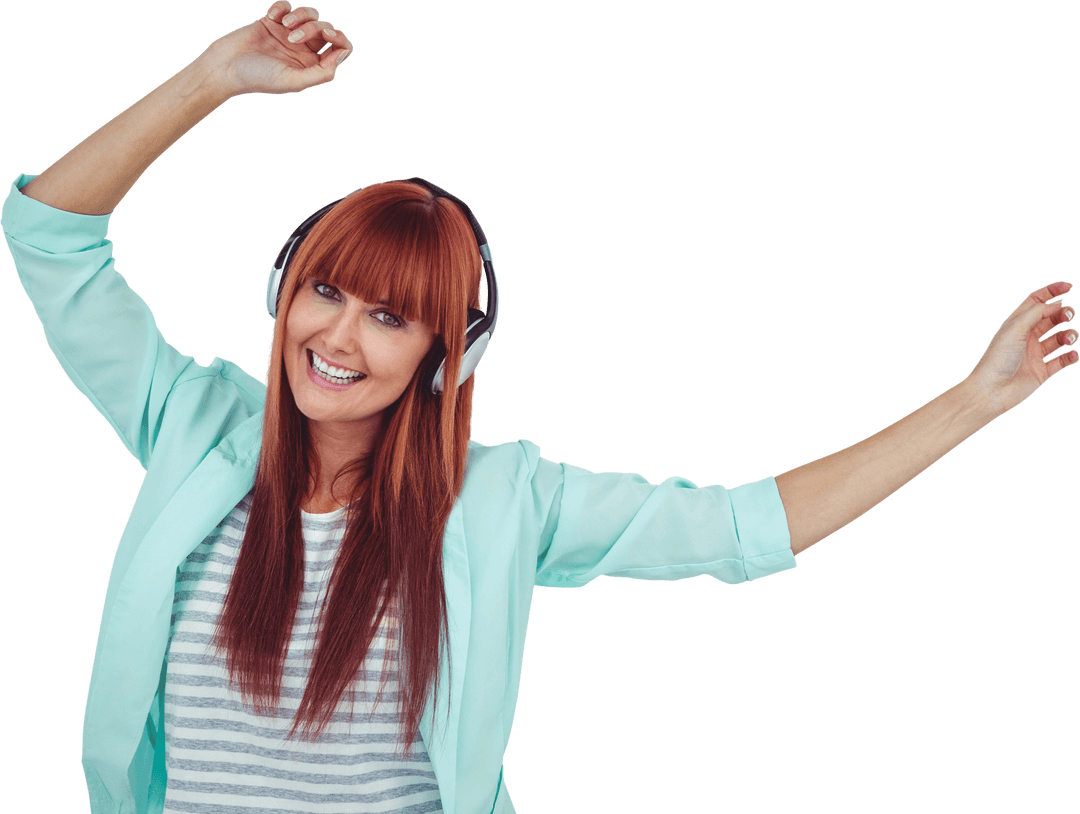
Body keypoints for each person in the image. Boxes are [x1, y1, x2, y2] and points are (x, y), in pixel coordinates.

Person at [3, 3, 1077, 814]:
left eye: (390, 316)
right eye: (324, 292)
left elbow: (747, 527)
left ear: (448, 352)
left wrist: (975, 401)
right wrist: (210, 79)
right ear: (282, 291)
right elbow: (50, 238)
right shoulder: (190, 426)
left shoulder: (504, 500)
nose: (336, 337)